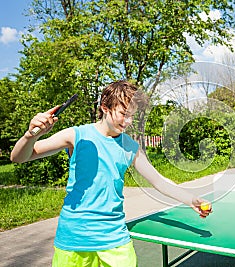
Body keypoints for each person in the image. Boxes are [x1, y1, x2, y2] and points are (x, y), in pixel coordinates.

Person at [10, 80, 212, 267]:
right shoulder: (76, 135)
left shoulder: (130, 147)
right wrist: (31, 135)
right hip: (73, 238)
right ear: (105, 108)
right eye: (124, 114)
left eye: (132, 115)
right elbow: (19, 157)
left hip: (114, 239)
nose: (129, 121)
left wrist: (190, 199)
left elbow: (158, 180)